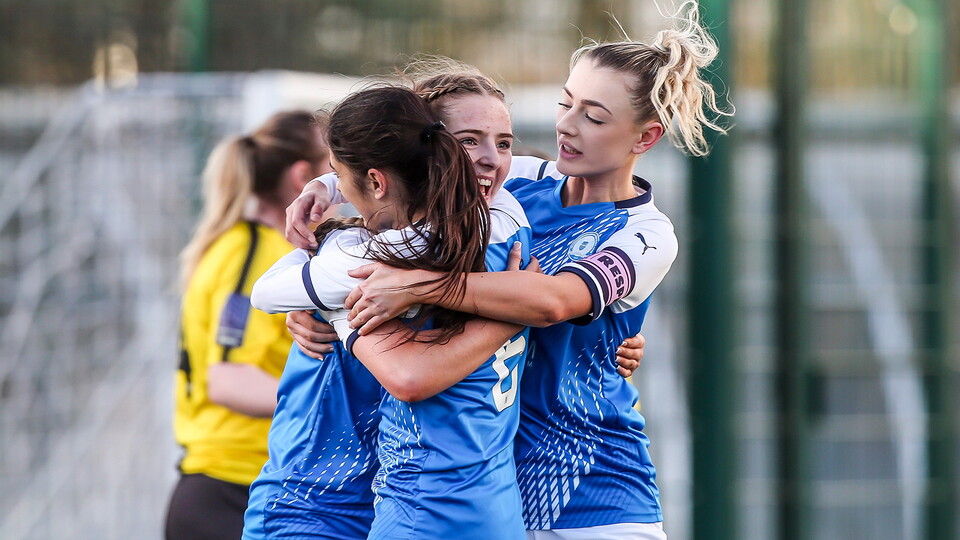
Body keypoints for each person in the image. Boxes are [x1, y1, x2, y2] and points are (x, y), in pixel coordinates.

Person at [334, 6, 732, 539]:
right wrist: (321, 192)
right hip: (498, 493)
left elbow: (551, 303)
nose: (567, 124)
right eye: (566, 103)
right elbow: (400, 171)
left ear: (645, 138)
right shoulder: (519, 181)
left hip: (596, 496)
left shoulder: (646, 234)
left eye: (594, 116)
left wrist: (417, 284)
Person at [243, 83, 535, 540]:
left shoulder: (366, 256)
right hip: (310, 503)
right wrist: (521, 306)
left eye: (503, 143)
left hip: (388, 503)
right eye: (466, 142)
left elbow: (411, 376)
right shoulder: (499, 230)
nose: (490, 159)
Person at [165, 110, 332, 540]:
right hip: (227, 492)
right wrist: (328, 403)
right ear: (302, 177)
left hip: (239, 487)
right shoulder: (252, 256)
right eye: (332, 166)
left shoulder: (266, 251)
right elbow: (227, 379)